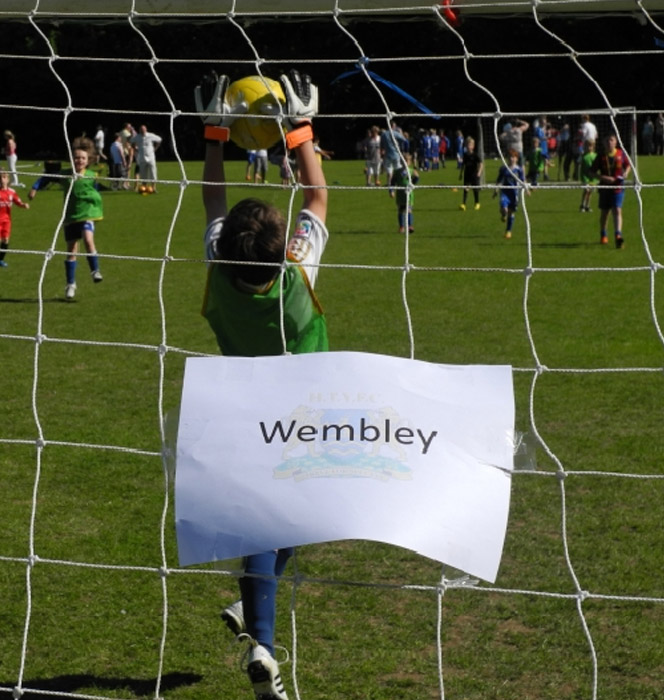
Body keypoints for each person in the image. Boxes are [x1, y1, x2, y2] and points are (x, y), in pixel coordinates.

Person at [196, 69, 327, 700]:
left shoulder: (220, 268)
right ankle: (264, 644)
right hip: (306, 406)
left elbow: (213, 204)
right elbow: (319, 199)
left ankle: (254, 612)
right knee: (287, 520)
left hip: (239, 407)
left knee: (267, 520)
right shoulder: (296, 268)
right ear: (283, 247)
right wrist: (299, 129)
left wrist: (217, 136)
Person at [28, 136, 104, 298]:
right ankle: (71, 284)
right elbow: (46, 178)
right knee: (71, 250)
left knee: (88, 239)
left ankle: (95, 271)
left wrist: (95, 201)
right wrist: (35, 188)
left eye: (83, 158)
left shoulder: (92, 175)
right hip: (70, 217)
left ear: (88, 159)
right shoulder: (65, 174)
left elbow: (97, 190)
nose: (79, 160)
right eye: (76, 157)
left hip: (87, 215)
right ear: (71, 159)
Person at [591, 133, 631, 248]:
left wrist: (626, 173)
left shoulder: (620, 154)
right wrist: (603, 178)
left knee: (617, 210)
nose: (609, 142)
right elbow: (591, 172)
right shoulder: (601, 156)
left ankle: (618, 235)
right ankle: (603, 234)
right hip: (604, 188)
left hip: (618, 187)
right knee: (605, 212)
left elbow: (628, 165)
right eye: (607, 140)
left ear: (616, 142)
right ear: (603, 143)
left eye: (611, 140)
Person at [0, 169, 30, 267]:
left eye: (4, 177)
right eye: (0, 177)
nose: (2, 179)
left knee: (5, 240)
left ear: (8, 179)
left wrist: (23, 205)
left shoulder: (11, 192)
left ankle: (0, 259)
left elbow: (18, 202)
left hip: (6, 221)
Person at [495, 149, 525, 239]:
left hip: (514, 193)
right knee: (504, 208)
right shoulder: (503, 169)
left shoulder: (518, 169)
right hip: (505, 192)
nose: (512, 159)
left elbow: (522, 180)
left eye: (514, 157)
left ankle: (508, 231)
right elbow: (499, 180)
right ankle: (503, 214)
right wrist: (496, 190)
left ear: (517, 159)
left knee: (511, 213)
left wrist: (526, 190)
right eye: (510, 157)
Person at [390, 153, 419, 233]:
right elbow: (392, 182)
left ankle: (410, 226)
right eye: (403, 161)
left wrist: (415, 179)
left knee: (409, 210)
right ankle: (401, 227)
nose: (405, 162)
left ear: (410, 162)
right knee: (401, 210)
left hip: (409, 194)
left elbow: (415, 181)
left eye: (407, 161)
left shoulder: (412, 171)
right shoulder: (397, 172)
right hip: (400, 194)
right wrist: (391, 191)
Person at [130, 124, 162, 192]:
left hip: (151, 157)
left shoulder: (150, 135)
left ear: (146, 130)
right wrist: (135, 148)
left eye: (143, 130)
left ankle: (154, 188)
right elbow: (131, 141)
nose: (142, 131)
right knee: (143, 174)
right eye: (141, 130)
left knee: (153, 172)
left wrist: (155, 148)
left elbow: (159, 139)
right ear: (139, 131)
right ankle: (144, 188)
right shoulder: (137, 137)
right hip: (142, 158)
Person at [458, 136, 483, 211]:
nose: (469, 147)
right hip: (467, 174)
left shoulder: (475, 155)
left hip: (474, 174)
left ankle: (477, 203)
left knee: (475, 189)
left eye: (470, 145)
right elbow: (463, 164)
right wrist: (461, 174)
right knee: (466, 189)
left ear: (473, 146)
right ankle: (463, 204)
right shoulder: (465, 155)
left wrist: (479, 172)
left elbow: (481, 164)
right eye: (468, 145)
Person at [579, 139, 597, 213]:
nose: (588, 148)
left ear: (593, 147)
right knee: (586, 190)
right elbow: (581, 167)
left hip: (593, 178)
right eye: (587, 146)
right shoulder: (583, 156)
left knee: (590, 193)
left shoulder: (595, 155)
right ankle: (582, 205)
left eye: (590, 146)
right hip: (585, 177)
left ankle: (587, 206)